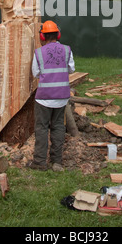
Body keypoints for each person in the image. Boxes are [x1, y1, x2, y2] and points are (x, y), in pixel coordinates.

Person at [28, 20, 75, 172]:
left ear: (42, 36)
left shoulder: (38, 53)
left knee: (41, 128)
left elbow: (35, 73)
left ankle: (40, 162)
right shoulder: (67, 50)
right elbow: (71, 69)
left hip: (44, 98)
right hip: (61, 98)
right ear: (58, 34)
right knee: (58, 127)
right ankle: (57, 162)